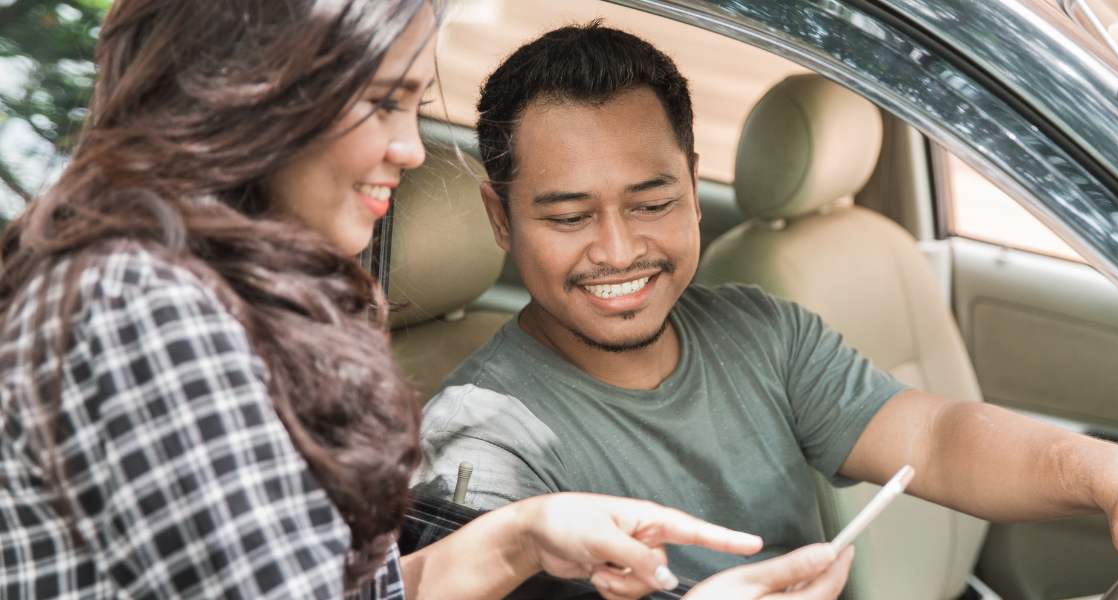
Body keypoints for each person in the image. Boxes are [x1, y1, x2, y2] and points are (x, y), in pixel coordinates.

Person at [0, 2, 857, 599]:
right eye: (383, 104)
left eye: (414, 105)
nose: (411, 149)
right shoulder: (146, 309)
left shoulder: (226, 299)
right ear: (253, 90)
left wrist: (528, 535)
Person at [415, 21, 1118, 585]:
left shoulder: (759, 330)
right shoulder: (484, 437)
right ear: (500, 217)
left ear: (693, 186)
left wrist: (1115, 476)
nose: (618, 250)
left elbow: (934, 436)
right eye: (569, 216)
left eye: (652, 203)